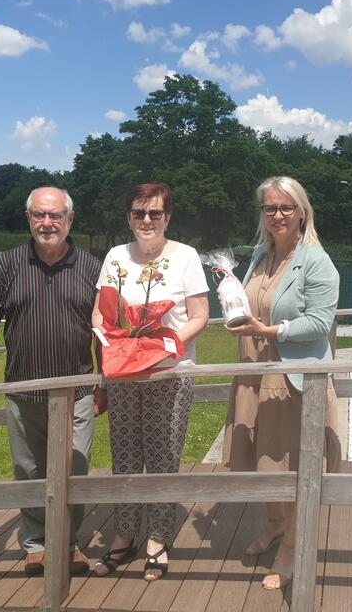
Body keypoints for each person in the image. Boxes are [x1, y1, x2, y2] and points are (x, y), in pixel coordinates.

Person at [0, 186, 101, 577]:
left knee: (75, 469)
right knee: (30, 471)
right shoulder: (7, 265)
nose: (47, 222)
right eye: (39, 215)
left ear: (70, 219)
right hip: (23, 392)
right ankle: (36, 544)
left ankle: (69, 543)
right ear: (28, 218)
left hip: (78, 392)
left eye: (55, 215)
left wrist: (104, 383)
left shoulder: (92, 267)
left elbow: (103, 331)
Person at [222, 176, 341, 591]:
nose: (276, 215)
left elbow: (320, 323)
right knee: (259, 455)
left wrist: (270, 331)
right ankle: (274, 523)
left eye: (285, 207)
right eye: (269, 208)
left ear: (302, 211)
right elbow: (248, 300)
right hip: (253, 372)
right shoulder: (259, 254)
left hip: (292, 379)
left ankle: (292, 546)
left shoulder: (317, 261)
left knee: (290, 465)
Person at [91, 182, 209, 581]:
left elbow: (199, 316)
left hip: (169, 375)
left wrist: (166, 346)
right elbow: (99, 314)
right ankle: (124, 535)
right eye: (139, 213)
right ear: (128, 217)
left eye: (154, 213)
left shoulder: (185, 257)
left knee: (163, 459)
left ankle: (158, 538)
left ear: (167, 217)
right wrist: (118, 341)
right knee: (124, 457)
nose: (146, 220)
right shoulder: (114, 257)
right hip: (124, 375)